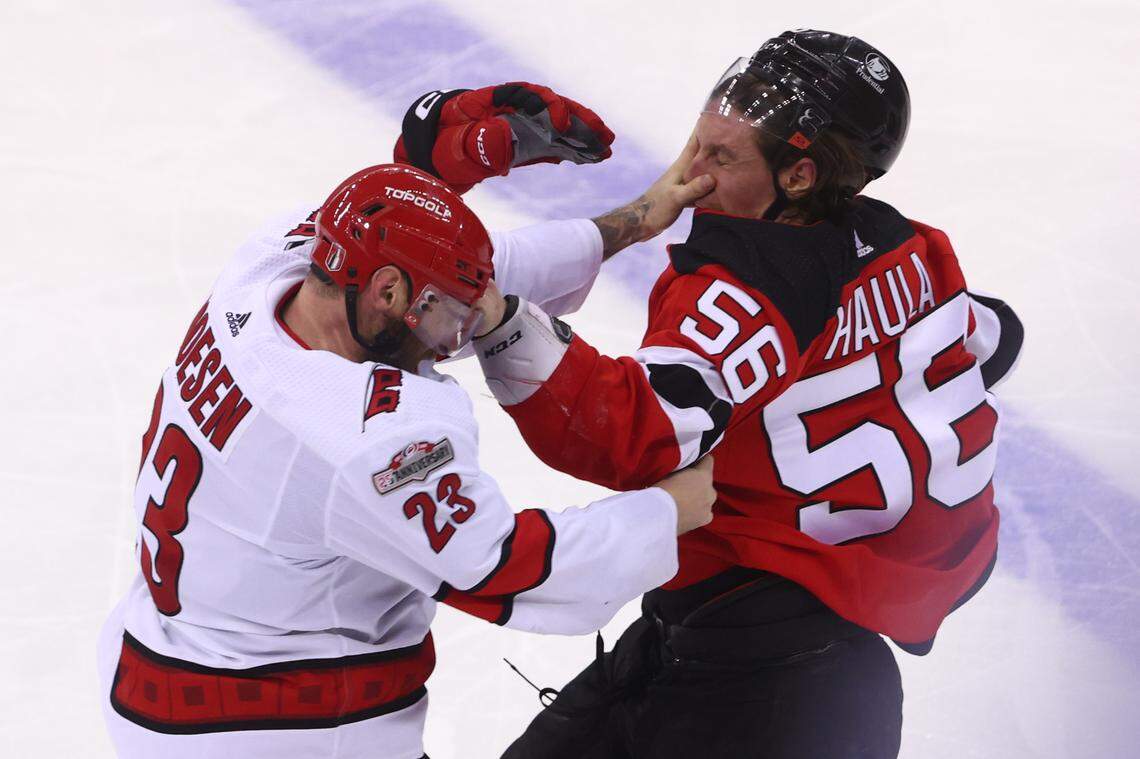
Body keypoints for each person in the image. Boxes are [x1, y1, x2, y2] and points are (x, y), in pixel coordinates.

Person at [399, 30, 1024, 758]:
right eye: (699, 138)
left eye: (721, 156)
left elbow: (627, 432)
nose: (690, 169)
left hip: (754, 688)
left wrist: (496, 317)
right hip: (811, 673)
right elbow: (992, 334)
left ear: (797, 176)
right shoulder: (912, 250)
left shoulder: (744, 292)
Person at [97, 82, 720, 759]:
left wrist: (634, 218)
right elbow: (509, 569)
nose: (457, 340)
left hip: (168, 668)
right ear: (390, 292)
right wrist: (669, 508)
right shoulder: (364, 436)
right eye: (443, 316)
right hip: (274, 729)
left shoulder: (271, 267)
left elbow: (446, 269)